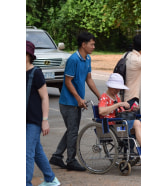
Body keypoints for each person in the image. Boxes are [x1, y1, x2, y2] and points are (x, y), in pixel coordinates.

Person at [49, 32, 101, 171]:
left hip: (75, 102)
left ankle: (57, 156)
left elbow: (88, 79)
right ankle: (71, 160)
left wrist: (99, 95)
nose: (93, 46)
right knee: (73, 132)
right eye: (92, 44)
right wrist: (78, 99)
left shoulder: (87, 58)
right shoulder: (73, 59)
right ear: (83, 44)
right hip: (68, 102)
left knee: (72, 130)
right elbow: (68, 82)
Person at [26, 41, 60, 186]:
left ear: (28, 55)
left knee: (26, 153)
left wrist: (45, 120)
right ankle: (51, 179)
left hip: (33, 120)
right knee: (36, 150)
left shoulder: (36, 73)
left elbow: (45, 97)